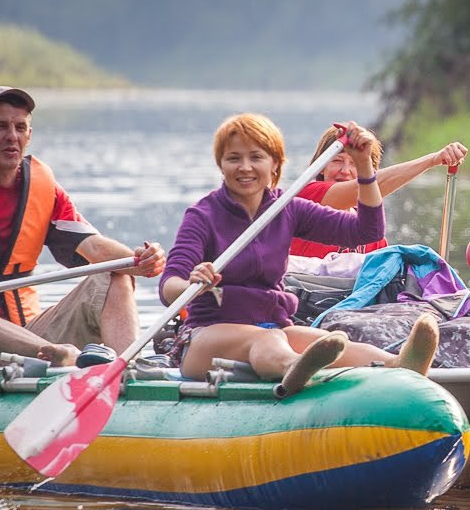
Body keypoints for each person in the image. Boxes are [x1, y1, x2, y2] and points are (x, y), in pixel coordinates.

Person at [161, 112, 439, 397]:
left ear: (275, 164)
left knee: (331, 341)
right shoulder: (203, 215)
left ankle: (400, 365)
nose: (245, 167)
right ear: (221, 164)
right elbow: (169, 287)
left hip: (275, 327)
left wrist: (365, 164)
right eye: (234, 158)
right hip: (207, 335)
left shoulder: (287, 209)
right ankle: (296, 368)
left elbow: (366, 231)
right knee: (269, 340)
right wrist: (192, 286)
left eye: (256, 157)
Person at [0, 86, 165, 375]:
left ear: (29, 135)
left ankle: (126, 369)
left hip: (25, 332)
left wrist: (140, 261)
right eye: (0, 126)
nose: (11, 137)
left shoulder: (45, 189)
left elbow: (94, 247)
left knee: (114, 271)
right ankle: (50, 354)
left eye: (20, 128)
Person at [288, 125, 470, 258]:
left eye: (355, 163)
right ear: (321, 167)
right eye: (337, 160)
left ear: (369, 169)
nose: (345, 170)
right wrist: (433, 160)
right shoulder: (307, 197)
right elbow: (366, 186)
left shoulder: (370, 228)